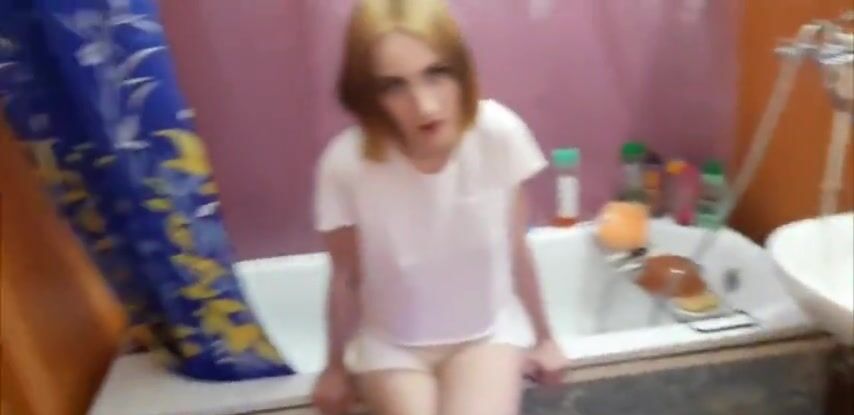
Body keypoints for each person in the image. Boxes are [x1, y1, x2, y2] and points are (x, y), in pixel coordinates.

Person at [311, 1, 568, 414]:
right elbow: (345, 277)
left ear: (460, 72)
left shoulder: (498, 134)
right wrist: (334, 367)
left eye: (436, 74)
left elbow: (516, 246)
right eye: (394, 86)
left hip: (485, 335)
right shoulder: (347, 163)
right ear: (369, 95)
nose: (425, 106)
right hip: (392, 345)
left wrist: (545, 337)